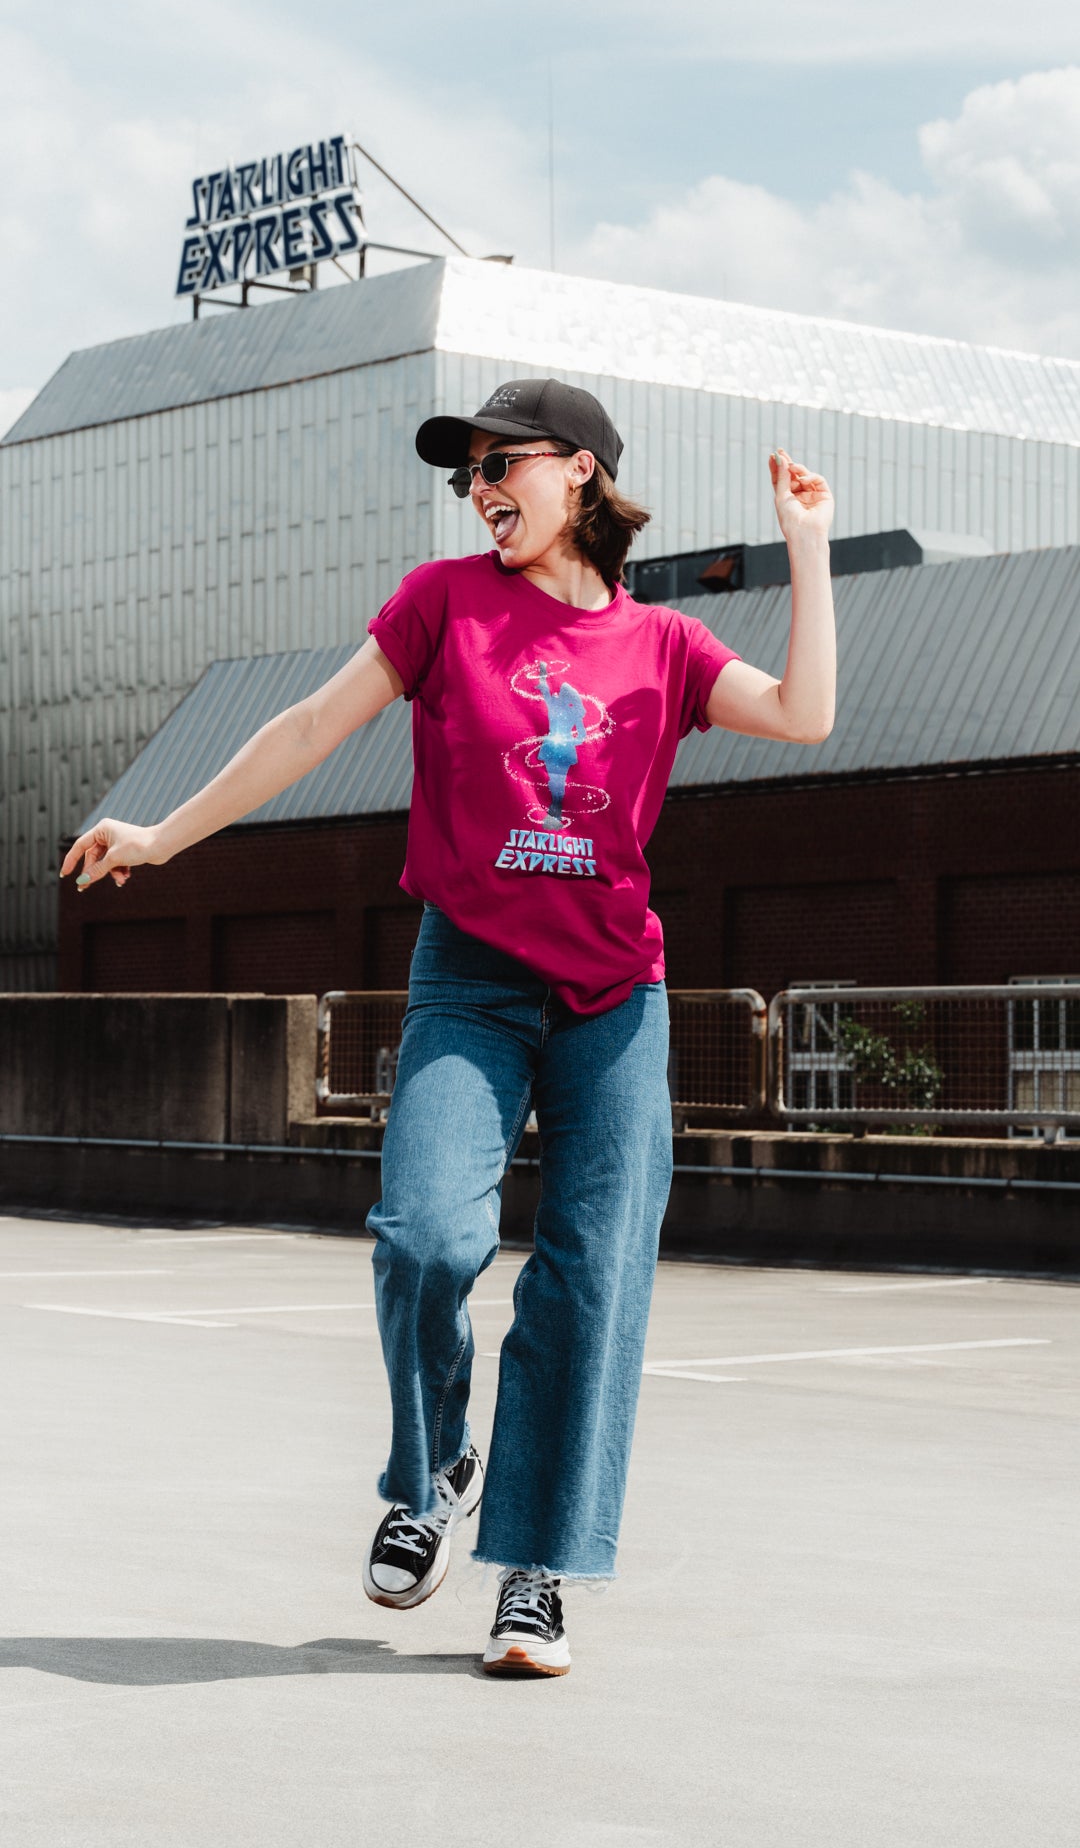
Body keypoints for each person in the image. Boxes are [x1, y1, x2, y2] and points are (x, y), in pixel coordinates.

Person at [62, 376, 835, 1678]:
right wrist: (163, 833)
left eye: (502, 464)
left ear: (580, 471)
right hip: (469, 979)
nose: (481, 490)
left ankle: (533, 1575)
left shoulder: (664, 647)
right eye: (466, 473)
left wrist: (808, 550)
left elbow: (807, 715)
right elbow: (308, 725)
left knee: (590, 1286)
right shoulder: (442, 606)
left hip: (613, 1001)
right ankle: (433, 1473)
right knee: (426, 1238)